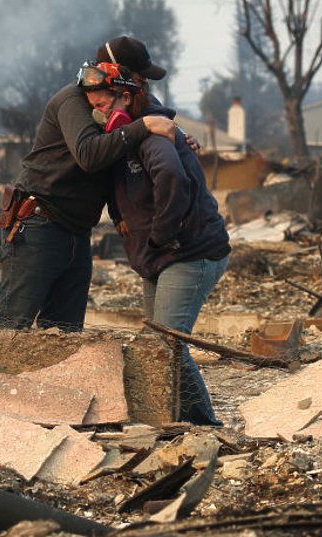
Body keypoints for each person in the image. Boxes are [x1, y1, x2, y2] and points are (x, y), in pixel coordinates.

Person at [0, 37, 182, 331]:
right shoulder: (74, 101)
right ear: (114, 71)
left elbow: (148, 123)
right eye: (138, 75)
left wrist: (180, 137)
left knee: (63, 333)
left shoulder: (123, 100)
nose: (143, 82)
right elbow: (89, 155)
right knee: (11, 328)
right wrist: (141, 127)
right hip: (39, 225)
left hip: (77, 232)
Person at [86, 65, 231, 427]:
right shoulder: (127, 138)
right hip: (159, 256)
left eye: (105, 104)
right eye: (96, 107)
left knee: (166, 346)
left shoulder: (153, 135)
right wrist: (119, 211)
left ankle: (202, 424)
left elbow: (170, 175)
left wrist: (162, 234)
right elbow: (119, 180)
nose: (103, 113)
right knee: (159, 345)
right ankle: (180, 420)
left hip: (189, 252)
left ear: (127, 95)